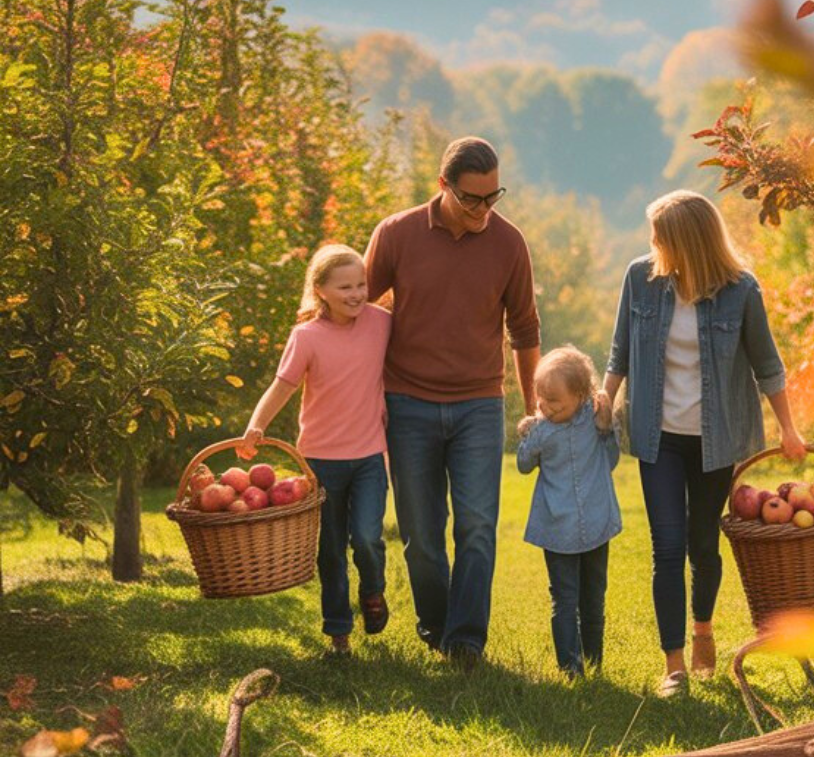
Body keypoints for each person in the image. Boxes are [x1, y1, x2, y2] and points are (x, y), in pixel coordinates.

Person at [601, 190, 806, 697]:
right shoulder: (640, 279)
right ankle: (674, 665)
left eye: (660, 236)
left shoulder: (741, 291)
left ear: (687, 242)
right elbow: (620, 348)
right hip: (658, 435)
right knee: (666, 547)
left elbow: (767, 366)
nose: (652, 244)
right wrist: (606, 397)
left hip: (717, 438)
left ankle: (703, 631)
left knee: (702, 545)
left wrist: (788, 427)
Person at [364, 136, 541, 669]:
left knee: (477, 527)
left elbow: (525, 329)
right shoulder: (396, 234)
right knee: (421, 535)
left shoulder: (509, 244)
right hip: (408, 402)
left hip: (478, 406)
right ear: (443, 186)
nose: (484, 211)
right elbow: (357, 306)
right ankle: (436, 625)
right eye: (472, 200)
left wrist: (532, 408)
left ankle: (465, 643)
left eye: (493, 197)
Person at [240, 243, 391, 656]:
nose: (357, 294)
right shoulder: (306, 336)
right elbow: (283, 386)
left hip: (368, 458)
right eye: (345, 287)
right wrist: (257, 426)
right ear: (320, 289)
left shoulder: (382, 323)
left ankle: (374, 589)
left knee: (365, 537)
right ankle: (339, 633)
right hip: (319, 462)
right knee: (330, 551)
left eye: (361, 284)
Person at [517, 344, 621, 679]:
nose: (545, 406)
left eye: (554, 401)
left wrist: (607, 428)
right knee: (564, 600)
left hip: (595, 525)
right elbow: (522, 465)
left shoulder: (594, 422)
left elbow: (611, 461)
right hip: (558, 529)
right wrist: (529, 436)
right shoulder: (543, 430)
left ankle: (594, 662)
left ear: (580, 395)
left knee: (594, 599)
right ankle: (570, 669)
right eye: (540, 398)